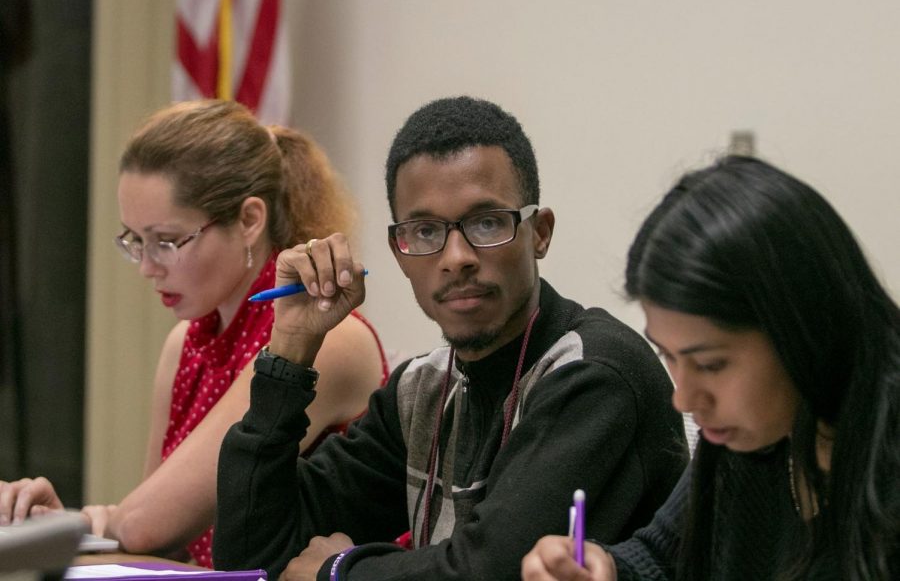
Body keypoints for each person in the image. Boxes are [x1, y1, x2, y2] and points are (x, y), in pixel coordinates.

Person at [212, 96, 688, 580]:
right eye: (425, 231)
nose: (456, 256)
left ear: (539, 233)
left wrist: (336, 572)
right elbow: (251, 557)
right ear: (400, 252)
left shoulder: (593, 375)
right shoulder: (422, 390)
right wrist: (291, 350)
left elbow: (495, 570)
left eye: (486, 223)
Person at [0, 100, 389, 567]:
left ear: (249, 220)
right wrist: (59, 523)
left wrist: (83, 525)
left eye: (166, 241)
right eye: (134, 240)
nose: (146, 266)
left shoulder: (320, 333)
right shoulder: (185, 341)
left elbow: (146, 525)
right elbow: (148, 526)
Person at [521, 155, 900, 580]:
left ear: (801, 329)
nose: (684, 398)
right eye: (669, 355)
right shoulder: (752, 436)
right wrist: (603, 568)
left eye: (710, 364)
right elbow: (662, 557)